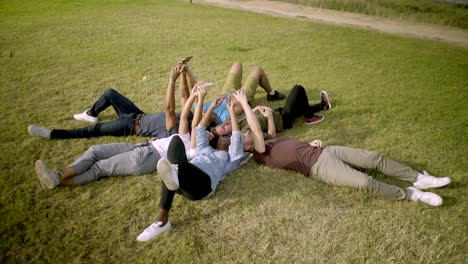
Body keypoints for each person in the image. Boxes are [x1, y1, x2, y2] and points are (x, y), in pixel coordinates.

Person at [246, 107, 451, 206]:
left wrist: (270, 116)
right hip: (317, 167)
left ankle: (418, 178)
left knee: (374, 158)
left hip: (324, 150)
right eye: (243, 135)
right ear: (246, 147)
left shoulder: (268, 141)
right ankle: (412, 194)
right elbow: (255, 129)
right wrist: (244, 103)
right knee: (364, 182)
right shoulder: (259, 154)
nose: (248, 132)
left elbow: (268, 132)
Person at [136, 90, 264, 242]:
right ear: (215, 140)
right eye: (223, 137)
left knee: (176, 167)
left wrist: (232, 113)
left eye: (229, 138)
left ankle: (173, 178)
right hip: (184, 180)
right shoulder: (204, 149)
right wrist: (211, 107)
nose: (226, 138)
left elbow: (236, 136)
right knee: (176, 140)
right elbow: (199, 129)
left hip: (203, 185)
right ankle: (164, 215)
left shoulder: (232, 158)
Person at [33, 82, 209, 189]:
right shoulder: (185, 128)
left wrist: (200, 101)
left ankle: (58, 177)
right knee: (94, 150)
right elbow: (186, 107)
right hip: (142, 144)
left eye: (207, 132)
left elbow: (192, 122)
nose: (205, 131)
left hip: (145, 156)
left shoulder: (192, 146)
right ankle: (57, 177)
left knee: (99, 168)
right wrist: (194, 91)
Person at [28, 60, 196, 140]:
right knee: (110, 93)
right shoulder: (187, 118)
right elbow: (183, 96)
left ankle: (51, 134)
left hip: (129, 126)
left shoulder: (178, 131)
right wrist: (183, 72)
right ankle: (91, 113)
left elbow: (169, 109)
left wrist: (171, 80)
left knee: (93, 130)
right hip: (137, 115)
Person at [211, 84, 332, 142]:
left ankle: (323, 105)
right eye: (225, 128)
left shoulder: (232, 120)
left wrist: (256, 108)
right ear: (229, 135)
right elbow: (272, 136)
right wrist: (269, 118)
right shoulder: (245, 133)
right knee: (298, 89)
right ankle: (309, 117)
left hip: (277, 112)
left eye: (222, 125)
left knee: (300, 107)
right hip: (282, 120)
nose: (226, 125)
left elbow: (246, 114)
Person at [195, 61, 286, 126]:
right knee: (258, 71)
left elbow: (192, 92)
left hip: (227, 93)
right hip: (241, 97)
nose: (202, 112)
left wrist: (185, 72)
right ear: (208, 122)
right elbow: (242, 104)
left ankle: (246, 85)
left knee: (237, 64)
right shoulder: (224, 118)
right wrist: (227, 98)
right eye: (203, 116)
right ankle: (272, 94)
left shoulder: (201, 110)